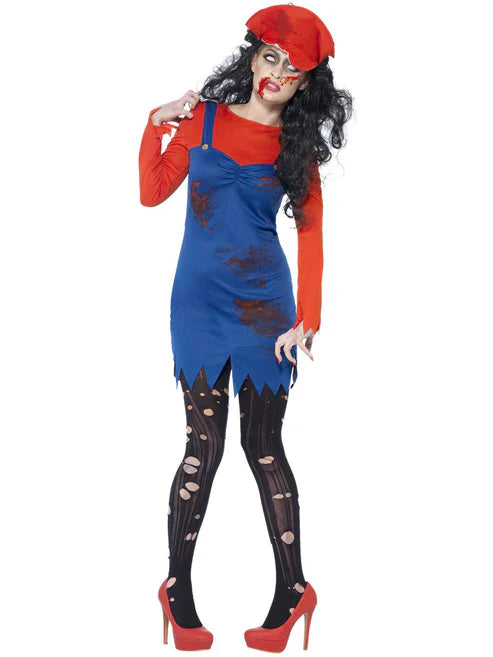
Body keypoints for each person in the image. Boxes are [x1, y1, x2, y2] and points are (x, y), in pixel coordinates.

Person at [138, 3, 352, 651]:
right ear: (253, 57)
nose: (276, 74)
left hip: (264, 310)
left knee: (264, 448)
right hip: (197, 306)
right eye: (270, 57)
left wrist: (307, 320)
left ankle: (293, 590)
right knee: (201, 448)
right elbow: (152, 191)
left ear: (305, 84)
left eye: (293, 70)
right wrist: (154, 123)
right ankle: (176, 588)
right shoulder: (202, 119)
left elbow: (311, 236)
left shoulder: (295, 149)